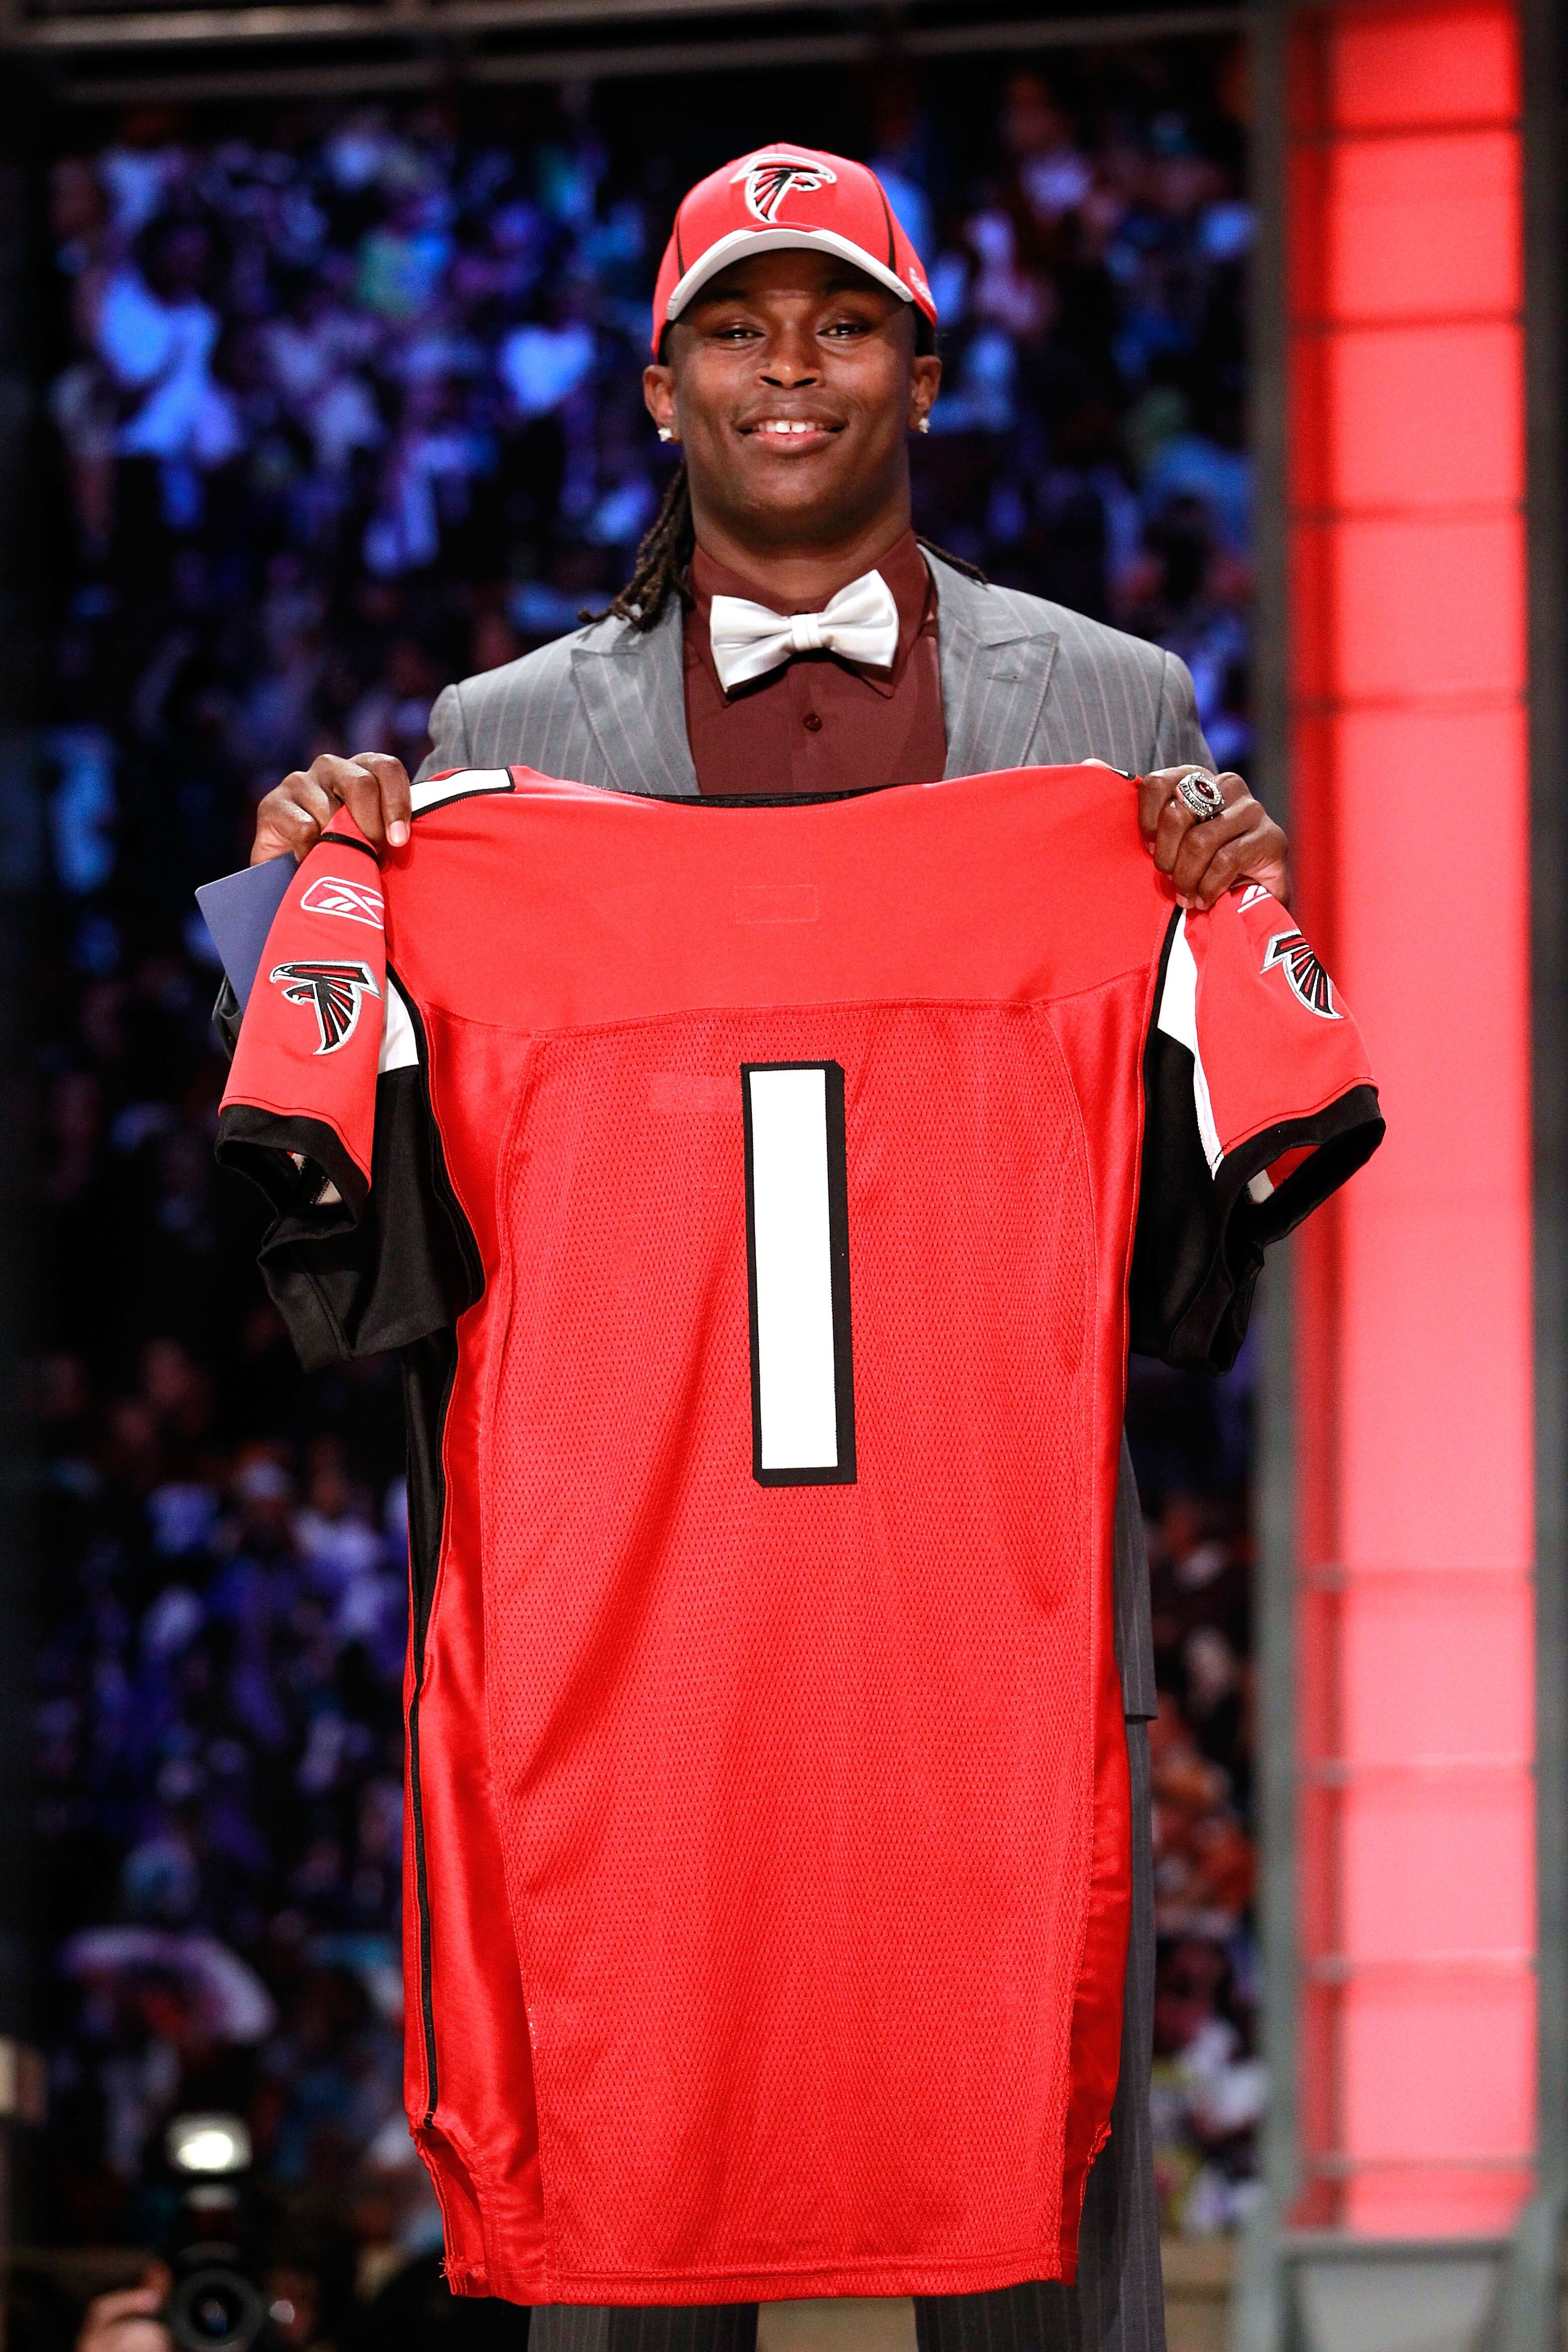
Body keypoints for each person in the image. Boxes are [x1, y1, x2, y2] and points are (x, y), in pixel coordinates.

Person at [240, 147, 1290, 2352]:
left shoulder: (1119, 714)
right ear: (659, 385)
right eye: (738, 326)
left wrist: (1224, 913)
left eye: (835, 323)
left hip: (986, 1616)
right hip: (637, 1626)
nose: (786, 371)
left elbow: (1184, 1249)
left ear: (924, 367)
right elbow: (387, 1231)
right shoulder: (492, 751)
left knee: (1035, 2263)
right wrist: (303, 916)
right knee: (638, 2249)